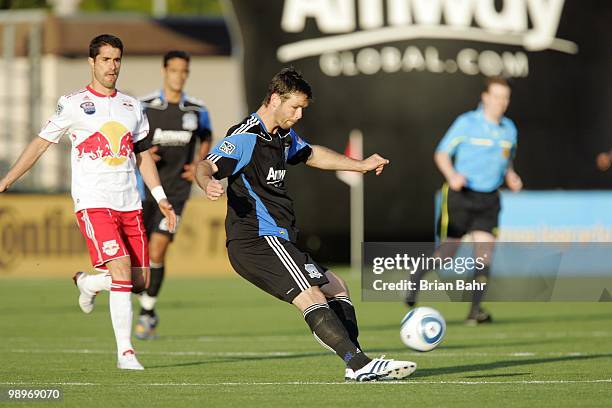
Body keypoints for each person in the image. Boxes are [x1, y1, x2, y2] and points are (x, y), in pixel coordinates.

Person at [195, 67, 416, 382]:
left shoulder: (283, 135)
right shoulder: (245, 137)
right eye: (294, 107)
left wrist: (360, 166)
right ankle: (359, 363)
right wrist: (207, 184)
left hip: (279, 240)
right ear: (274, 99)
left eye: (302, 108)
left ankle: (355, 362)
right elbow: (205, 166)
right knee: (310, 294)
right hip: (257, 239)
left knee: (337, 287)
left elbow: (312, 154)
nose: (298, 115)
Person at [0, 34, 176, 370]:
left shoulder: (132, 106)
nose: (112, 67)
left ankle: (89, 282)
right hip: (94, 202)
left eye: (117, 60)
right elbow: (40, 144)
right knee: (122, 271)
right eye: (106, 60)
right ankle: (126, 352)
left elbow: (144, 156)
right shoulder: (73, 103)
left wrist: (161, 198)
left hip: (130, 203)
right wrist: (7, 179)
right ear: (92, 62)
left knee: (140, 282)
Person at [405, 76, 523, 325]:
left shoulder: (509, 129)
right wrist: (452, 175)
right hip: (461, 196)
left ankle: (475, 310)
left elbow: (507, 157)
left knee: (484, 254)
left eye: (506, 97)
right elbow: (442, 153)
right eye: (497, 96)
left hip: (489, 198)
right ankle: (417, 276)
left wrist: (511, 175)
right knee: (448, 253)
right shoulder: (467, 123)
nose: (501, 102)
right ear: (485, 97)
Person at [135, 50, 212, 340]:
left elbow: (206, 137)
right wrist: (142, 151)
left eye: (184, 71)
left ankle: (147, 311)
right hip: (142, 191)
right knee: (138, 255)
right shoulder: (144, 106)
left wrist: (199, 164)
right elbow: (130, 139)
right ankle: (144, 305)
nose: (179, 76)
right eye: (174, 70)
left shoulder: (196, 109)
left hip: (177, 193)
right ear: (164, 71)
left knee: (158, 249)